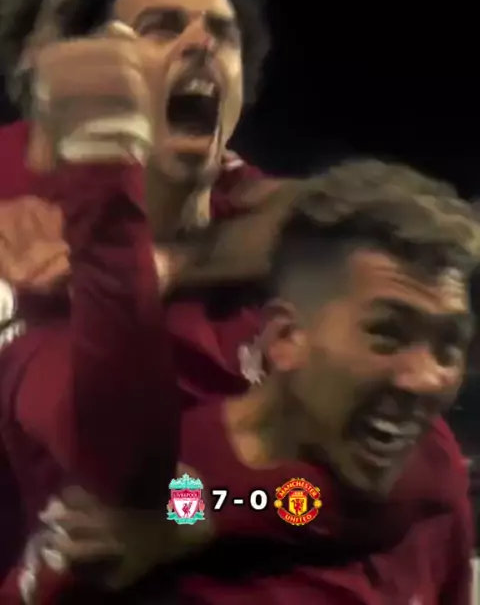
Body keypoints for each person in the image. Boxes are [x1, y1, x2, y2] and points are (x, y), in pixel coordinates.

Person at [32, 161, 479, 603]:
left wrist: (211, 519)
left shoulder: (431, 466)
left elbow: (286, 505)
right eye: (387, 334)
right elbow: (190, 503)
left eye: (449, 345)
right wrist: (186, 518)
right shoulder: (157, 485)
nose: (427, 379)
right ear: (286, 337)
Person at [0, 0, 281, 593]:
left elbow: (332, 499)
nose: (200, 43)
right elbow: (122, 473)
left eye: (222, 35)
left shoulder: (292, 260)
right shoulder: (33, 264)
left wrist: (203, 516)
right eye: (160, 27)